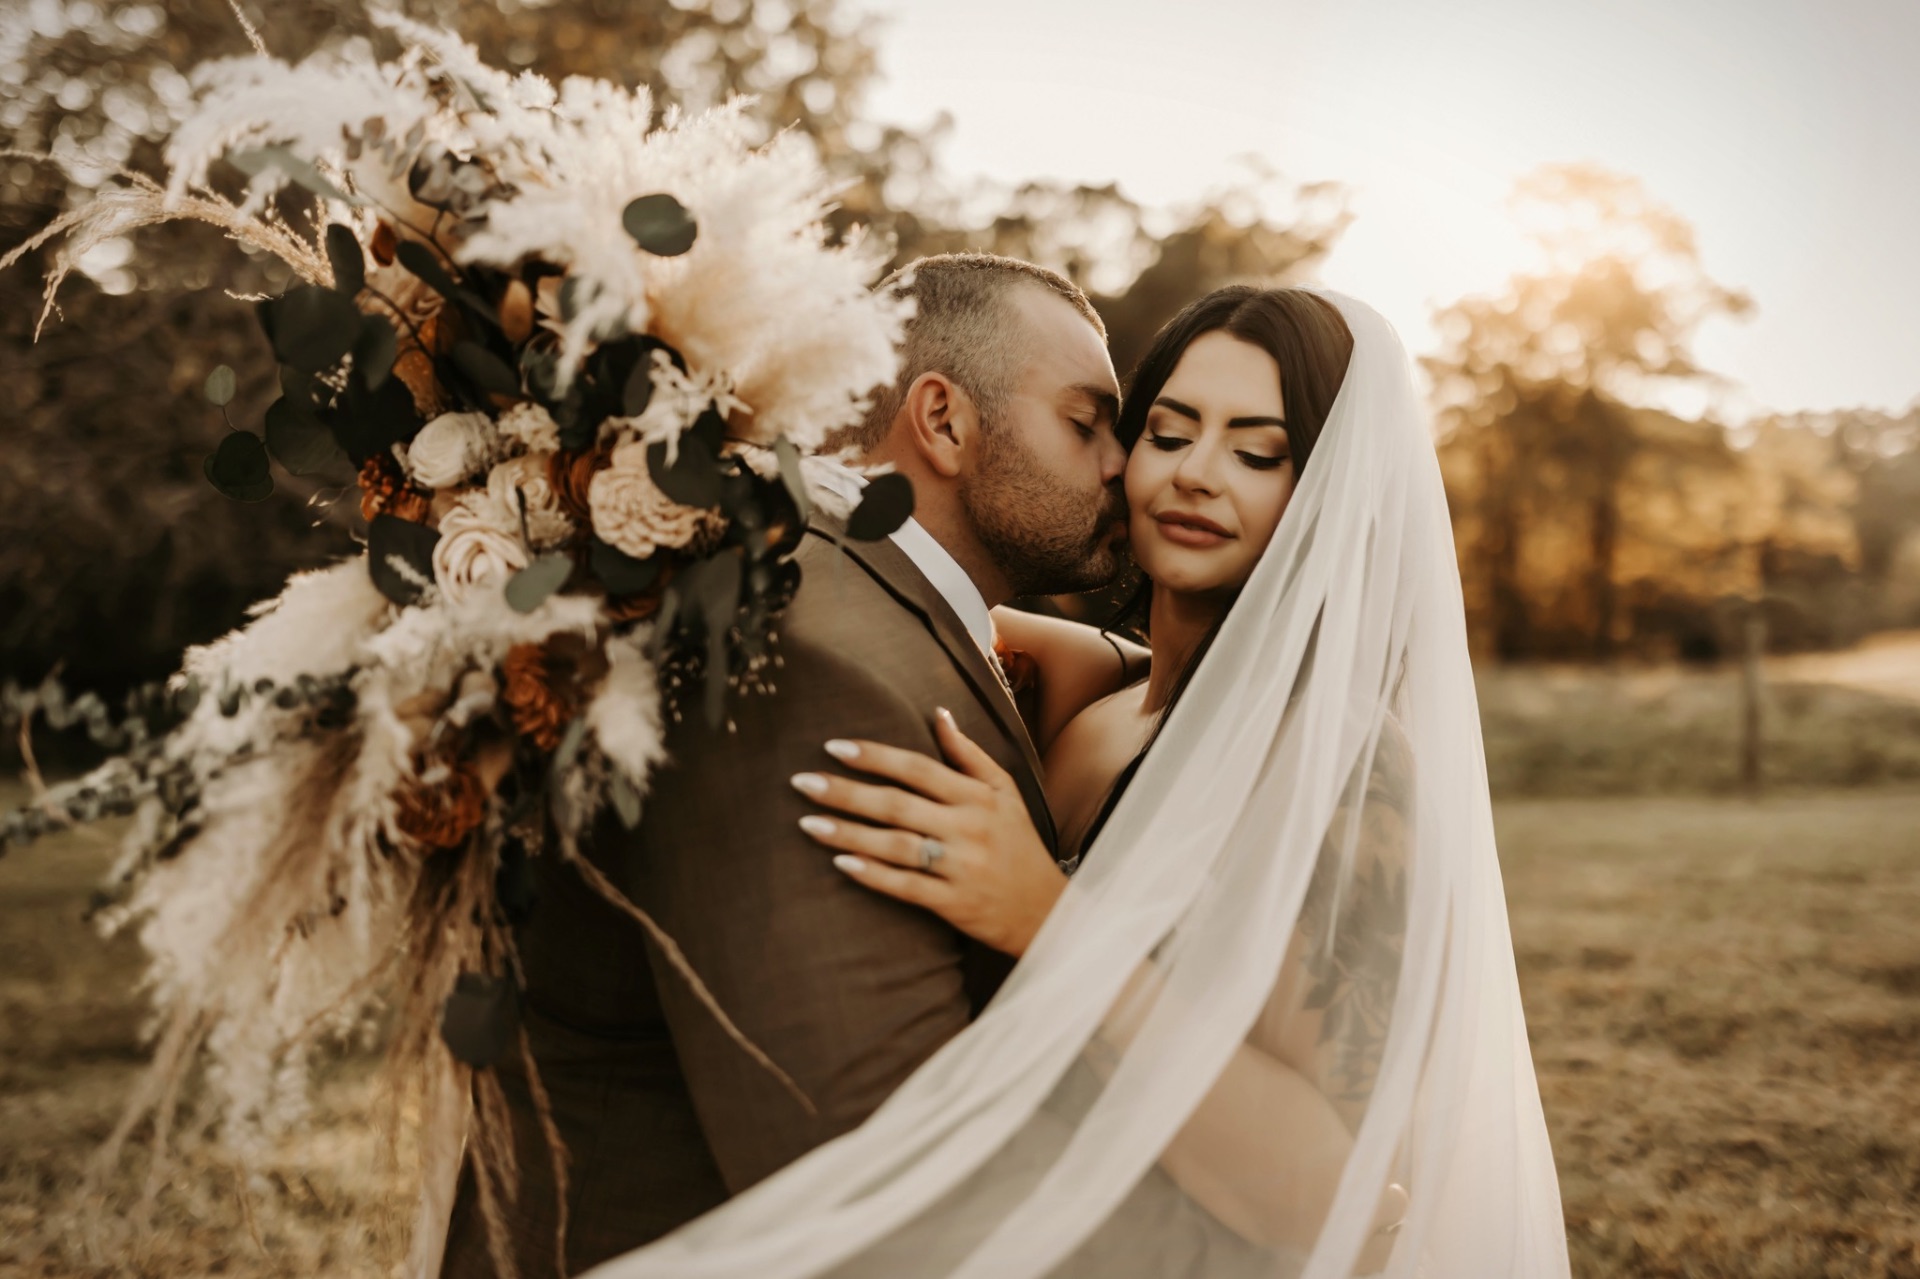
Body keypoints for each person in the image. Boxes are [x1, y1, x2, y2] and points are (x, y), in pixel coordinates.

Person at [583, 288, 1572, 1278]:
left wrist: (1049, 922)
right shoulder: (1095, 694)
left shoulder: (1345, 767)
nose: (1194, 473)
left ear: (1324, 490)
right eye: (1167, 434)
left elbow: (1342, 1186)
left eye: (1257, 453)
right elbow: (926, 587)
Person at [439, 254, 1131, 1278]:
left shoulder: (841, 590)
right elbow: (862, 1184)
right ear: (943, 420)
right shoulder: (805, 655)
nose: (1123, 463)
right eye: (1087, 423)